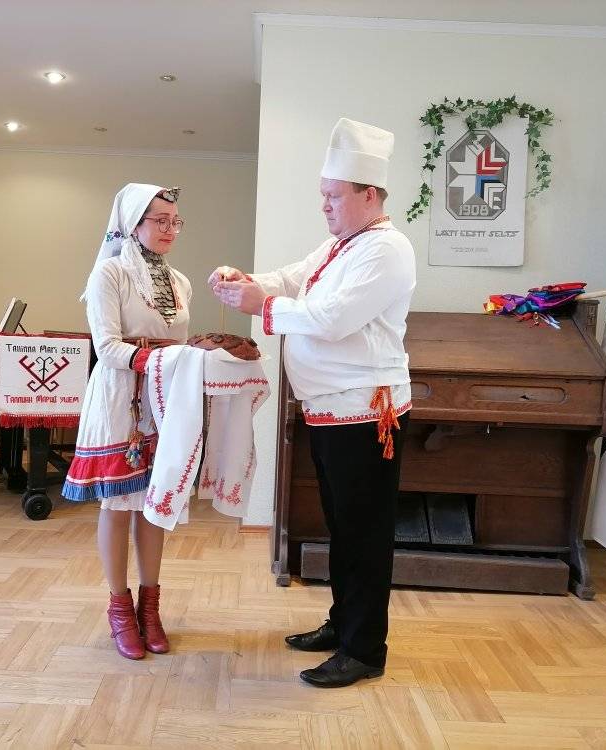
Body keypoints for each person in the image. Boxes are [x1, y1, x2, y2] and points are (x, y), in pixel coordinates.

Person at [210, 118, 415, 687]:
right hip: (331, 410)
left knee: (363, 533)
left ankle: (364, 649)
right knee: (342, 527)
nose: (324, 205)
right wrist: (246, 280)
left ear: (368, 195)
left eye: (334, 195)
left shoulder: (387, 249)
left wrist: (259, 304)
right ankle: (343, 624)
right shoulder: (341, 244)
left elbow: (331, 319)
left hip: (363, 414)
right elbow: (291, 278)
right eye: (323, 194)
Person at [62, 183, 190, 660]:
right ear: (133, 224)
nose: (170, 229)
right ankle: (120, 608)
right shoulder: (109, 274)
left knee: (154, 503)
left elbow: (177, 342)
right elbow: (108, 345)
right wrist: (158, 360)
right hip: (119, 397)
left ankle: (150, 609)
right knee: (117, 504)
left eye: (175, 221)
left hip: (162, 398)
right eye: (160, 220)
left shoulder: (181, 281)